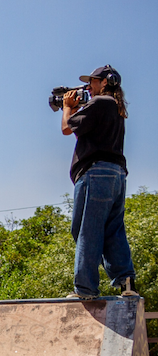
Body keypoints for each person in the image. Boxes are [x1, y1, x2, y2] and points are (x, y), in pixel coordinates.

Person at [60, 65, 136, 299]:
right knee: (113, 231)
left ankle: (85, 289)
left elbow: (66, 128)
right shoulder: (116, 107)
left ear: (105, 83)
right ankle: (127, 285)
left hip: (96, 174)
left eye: (92, 82)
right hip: (116, 176)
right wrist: (80, 106)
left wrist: (67, 108)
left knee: (86, 230)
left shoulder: (100, 102)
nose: (88, 87)